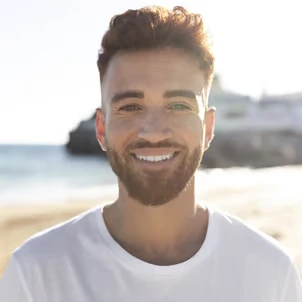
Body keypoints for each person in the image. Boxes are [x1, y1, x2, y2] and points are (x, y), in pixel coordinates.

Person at [0, 5, 301, 302]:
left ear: (208, 128)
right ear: (101, 129)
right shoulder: (36, 274)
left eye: (179, 106)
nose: (154, 132)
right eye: (130, 107)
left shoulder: (270, 274)